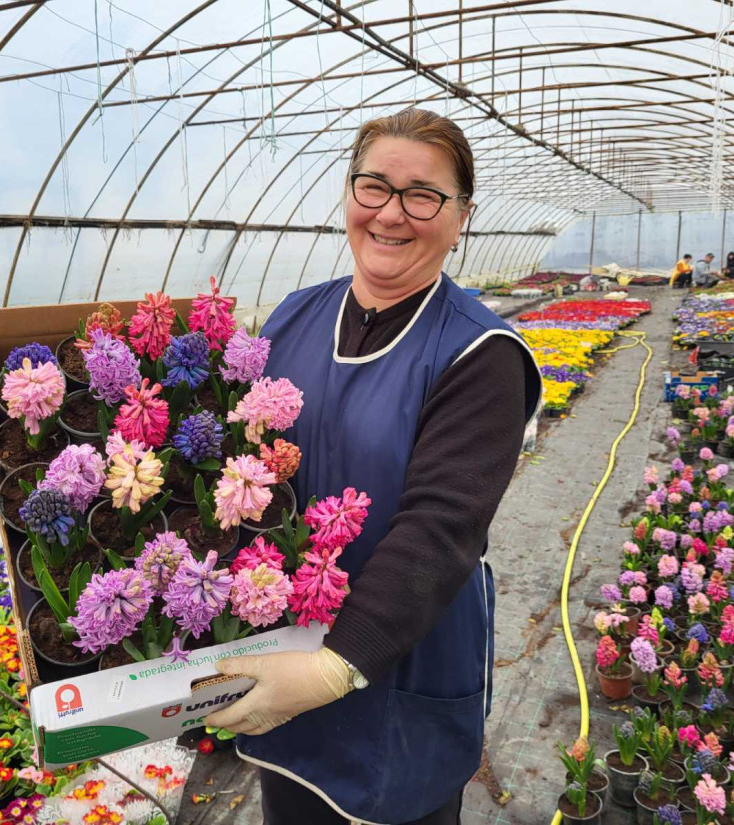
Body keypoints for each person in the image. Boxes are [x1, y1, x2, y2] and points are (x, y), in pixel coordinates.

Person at [205, 108, 542, 824]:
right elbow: (242, 473)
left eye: (423, 195)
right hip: (282, 660)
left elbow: (441, 528)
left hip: (398, 668)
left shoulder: (481, 354)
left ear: (460, 218)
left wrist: (334, 664)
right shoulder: (293, 318)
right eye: (374, 187)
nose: (392, 214)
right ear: (348, 194)